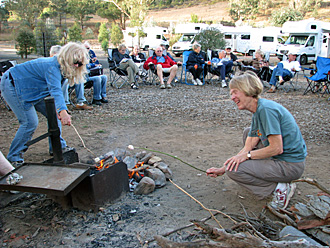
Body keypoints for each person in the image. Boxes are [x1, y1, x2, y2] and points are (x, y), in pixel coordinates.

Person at [206, 71, 307, 210]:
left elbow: (277, 148)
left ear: (247, 89)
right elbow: (248, 146)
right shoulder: (259, 109)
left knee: (235, 171)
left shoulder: (266, 110)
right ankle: (275, 179)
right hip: (281, 160)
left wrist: (246, 157)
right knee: (248, 132)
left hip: (290, 165)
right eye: (231, 93)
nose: (232, 97)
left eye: (235, 92)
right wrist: (223, 169)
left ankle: (280, 188)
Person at [0, 42, 88, 166]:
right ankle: (14, 157)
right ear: (67, 58)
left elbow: (56, 93)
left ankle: (58, 148)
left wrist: (60, 111)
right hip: (13, 85)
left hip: (33, 90)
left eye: (79, 63)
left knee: (53, 116)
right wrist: (63, 111)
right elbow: (55, 90)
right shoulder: (52, 66)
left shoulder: (62, 69)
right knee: (29, 122)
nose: (76, 65)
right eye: (75, 62)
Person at [50, 45, 93, 110]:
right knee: (66, 81)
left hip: (66, 79)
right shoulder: (51, 64)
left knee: (79, 79)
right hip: (57, 83)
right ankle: (65, 104)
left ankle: (80, 102)